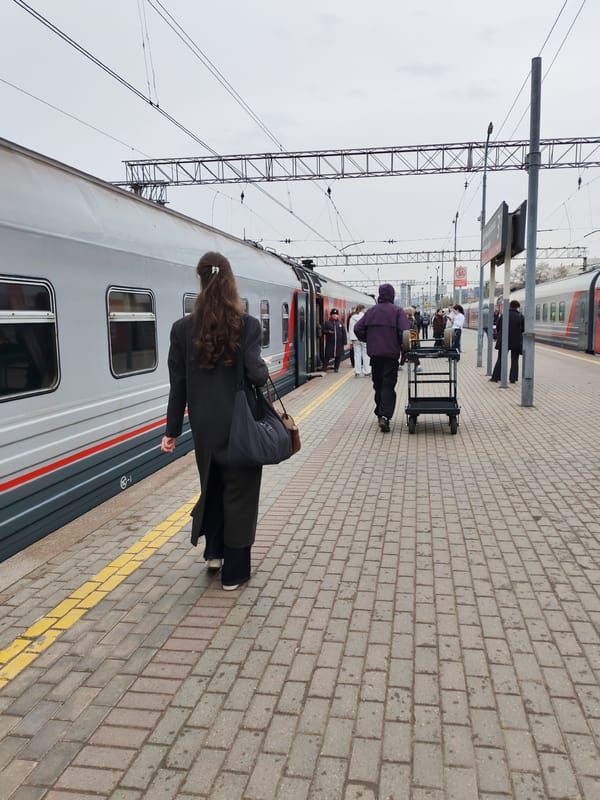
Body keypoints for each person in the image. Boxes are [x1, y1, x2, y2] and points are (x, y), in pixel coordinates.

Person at [161, 251, 270, 591]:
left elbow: (178, 384)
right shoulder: (247, 325)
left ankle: (214, 552)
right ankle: (234, 572)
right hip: (240, 424)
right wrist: (262, 366)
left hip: (205, 427)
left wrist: (171, 431)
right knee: (240, 494)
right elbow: (257, 376)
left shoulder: (181, 329)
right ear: (230, 282)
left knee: (213, 485)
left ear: (201, 281)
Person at [354, 283, 410, 432]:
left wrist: (369, 339)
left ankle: (380, 413)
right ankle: (384, 416)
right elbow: (405, 333)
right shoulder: (397, 311)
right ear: (392, 295)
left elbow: (357, 328)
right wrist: (404, 350)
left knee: (378, 384)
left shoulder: (371, 311)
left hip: (375, 356)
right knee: (388, 385)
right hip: (391, 356)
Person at [490, 299, 525, 383]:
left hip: (504, 340)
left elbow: (498, 327)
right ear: (517, 307)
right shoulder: (520, 316)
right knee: (515, 360)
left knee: (500, 359)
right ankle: (513, 379)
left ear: (510, 306)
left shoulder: (504, 315)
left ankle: (496, 377)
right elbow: (523, 329)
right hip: (516, 341)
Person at [348, 304, 370, 376]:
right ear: (363, 309)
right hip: (364, 338)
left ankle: (357, 371)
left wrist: (350, 341)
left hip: (355, 338)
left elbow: (350, 329)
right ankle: (367, 371)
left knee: (357, 355)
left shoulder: (352, 318)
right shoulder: (365, 317)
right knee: (366, 355)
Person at [323, 308, 347, 372]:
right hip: (330, 343)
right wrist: (328, 331)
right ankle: (324, 368)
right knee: (327, 356)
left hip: (339, 343)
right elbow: (323, 331)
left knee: (338, 356)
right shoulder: (327, 322)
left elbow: (344, 332)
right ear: (331, 315)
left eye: (336, 314)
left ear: (338, 315)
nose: (335, 316)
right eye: (333, 314)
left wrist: (344, 341)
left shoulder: (340, 323)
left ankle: (336, 368)